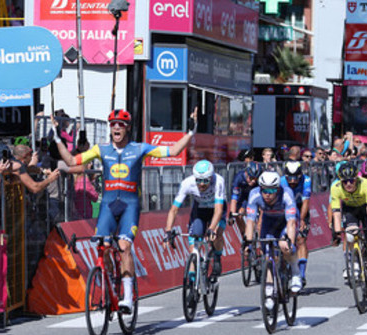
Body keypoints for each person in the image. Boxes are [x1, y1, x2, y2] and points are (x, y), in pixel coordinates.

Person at [55, 108, 197, 313]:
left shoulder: (138, 148)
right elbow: (70, 161)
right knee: (102, 247)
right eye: (112, 124)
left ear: (127, 128)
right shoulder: (100, 149)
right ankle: (112, 283)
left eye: (120, 124)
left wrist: (190, 133)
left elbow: (172, 152)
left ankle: (128, 297)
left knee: (124, 246)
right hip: (108, 205)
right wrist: (57, 136)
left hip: (130, 205)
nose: (116, 128)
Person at [330, 162, 367, 299]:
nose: (348, 184)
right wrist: (337, 233)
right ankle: (354, 262)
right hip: (351, 210)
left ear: (356, 179)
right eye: (345, 181)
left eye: (351, 181)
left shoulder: (365, 184)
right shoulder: (336, 188)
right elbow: (336, 213)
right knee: (349, 235)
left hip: (366, 210)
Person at [245, 171, 301, 306]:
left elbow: (291, 223)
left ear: (278, 189)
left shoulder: (286, 194)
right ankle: (269, 291)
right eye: (264, 190)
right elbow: (251, 222)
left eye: (271, 190)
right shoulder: (254, 195)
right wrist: (248, 242)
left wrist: (290, 242)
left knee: (284, 246)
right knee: (268, 256)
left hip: (285, 222)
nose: (267, 194)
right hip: (269, 223)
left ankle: (295, 273)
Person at [164, 159, 226, 279]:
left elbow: (218, 210)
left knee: (217, 234)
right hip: (200, 210)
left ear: (211, 178)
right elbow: (174, 209)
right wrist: (168, 231)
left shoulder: (218, 181)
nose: (201, 184)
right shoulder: (187, 183)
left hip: (216, 209)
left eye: (205, 181)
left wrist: (212, 228)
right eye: (199, 181)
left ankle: (217, 257)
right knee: (194, 244)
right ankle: (192, 279)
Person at [280, 161, 312, 287]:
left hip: (300, 207)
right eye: (290, 179)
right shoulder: (281, 181)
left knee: (301, 240)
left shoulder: (306, 180)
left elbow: (305, 202)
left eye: (295, 178)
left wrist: (302, 219)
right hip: (285, 208)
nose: (293, 181)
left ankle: (302, 274)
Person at [228, 161, 262, 233]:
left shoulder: (260, 181)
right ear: (246, 173)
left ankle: (258, 236)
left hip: (255, 195)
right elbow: (234, 198)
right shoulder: (239, 177)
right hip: (243, 196)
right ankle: (245, 235)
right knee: (239, 213)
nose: (253, 181)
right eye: (251, 178)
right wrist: (231, 215)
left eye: (256, 179)